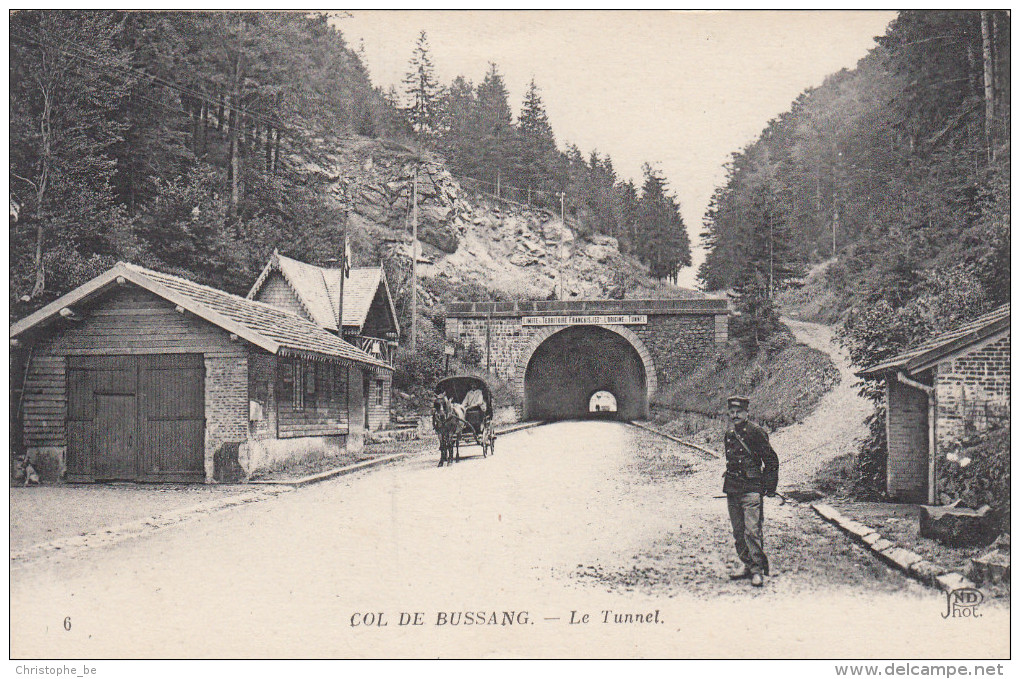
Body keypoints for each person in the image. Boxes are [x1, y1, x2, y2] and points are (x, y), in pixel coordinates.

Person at [722, 395, 779, 587]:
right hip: (733, 489)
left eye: (739, 411)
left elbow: (771, 460)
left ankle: (757, 570)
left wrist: (769, 488)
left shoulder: (756, 432)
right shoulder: (729, 434)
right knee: (738, 532)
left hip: (752, 490)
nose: (735, 415)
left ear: (747, 412)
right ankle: (747, 565)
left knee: (752, 531)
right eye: (732, 411)